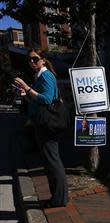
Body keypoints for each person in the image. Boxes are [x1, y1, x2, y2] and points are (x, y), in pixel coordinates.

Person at [14, 49, 69, 208]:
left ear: (43, 60)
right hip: (41, 123)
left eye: (35, 59)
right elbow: (37, 100)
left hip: (47, 124)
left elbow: (47, 99)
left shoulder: (45, 75)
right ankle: (59, 197)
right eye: (29, 60)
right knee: (50, 160)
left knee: (52, 161)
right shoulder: (40, 75)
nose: (31, 62)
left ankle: (59, 199)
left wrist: (27, 87)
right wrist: (25, 94)